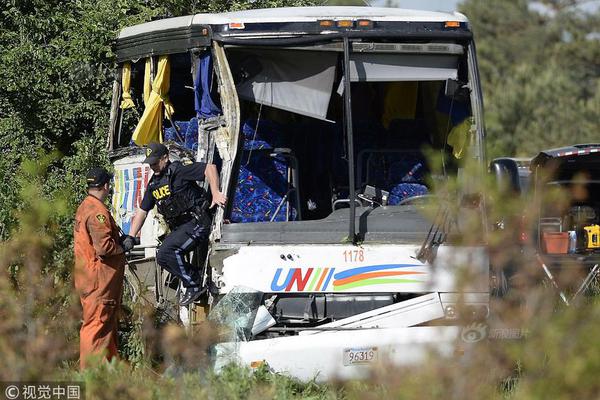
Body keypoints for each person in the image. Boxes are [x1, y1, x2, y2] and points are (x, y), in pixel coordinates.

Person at [124, 142, 227, 306]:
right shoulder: (154, 184)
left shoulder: (178, 170)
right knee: (163, 257)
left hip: (197, 222)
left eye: (155, 162)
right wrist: (130, 236)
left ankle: (194, 283)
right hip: (181, 227)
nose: (153, 167)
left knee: (166, 252)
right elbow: (142, 211)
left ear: (165, 158)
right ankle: (195, 279)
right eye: (150, 164)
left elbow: (210, 168)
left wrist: (215, 193)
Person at [73, 167, 135, 369]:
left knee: (105, 327)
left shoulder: (85, 206)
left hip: (90, 278)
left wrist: (119, 239)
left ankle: (107, 374)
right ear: (106, 186)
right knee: (97, 327)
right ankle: (91, 376)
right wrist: (122, 246)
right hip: (100, 281)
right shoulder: (97, 212)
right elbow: (104, 248)